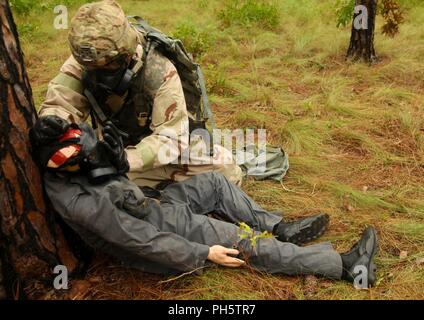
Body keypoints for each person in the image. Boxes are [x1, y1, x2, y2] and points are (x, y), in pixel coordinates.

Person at [33, 122, 379, 286]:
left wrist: (116, 165)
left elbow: (114, 182)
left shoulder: (72, 164)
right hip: (159, 228)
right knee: (242, 242)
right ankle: (345, 266)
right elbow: (138, 239)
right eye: (87, 155)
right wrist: (202, 253)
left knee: (213, 182)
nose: (93, 155)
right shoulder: (80, 204)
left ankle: (278, 227)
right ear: (65, 162)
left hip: (151, 204)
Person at [35, 0, 242, 189]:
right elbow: (61, 102)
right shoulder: (85, 63)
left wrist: (126, 159)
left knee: (225, 169)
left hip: (155, 152)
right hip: (112, 148)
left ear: (127, 54)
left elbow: (171, 138)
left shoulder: (159, 70)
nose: (99, 74)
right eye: (93, 68)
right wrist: (52, 121)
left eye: (108, 66)